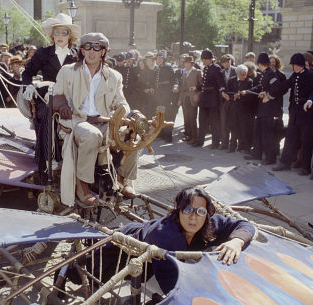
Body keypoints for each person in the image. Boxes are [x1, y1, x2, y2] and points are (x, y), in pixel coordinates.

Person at [62, 187, 255, 298]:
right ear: (178, 211)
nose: (193, 217)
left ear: (208, 214)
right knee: (82, 274)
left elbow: (244, 224)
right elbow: (171, 286)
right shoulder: (166, 235)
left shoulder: (210, 224)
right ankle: (62, 274)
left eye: (200, 211)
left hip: (151, 259)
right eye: (187, 210)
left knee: (144, 274)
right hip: (122, 247)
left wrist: (237, 241)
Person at [53, 32, 137, 206]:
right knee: (92, 135)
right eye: (87, 47)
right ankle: (82, 185)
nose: (92, 51)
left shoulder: (114, 76)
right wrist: (62, 107)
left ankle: (123, 178)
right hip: (76, 121)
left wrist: (124, 115)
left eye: (97, 47)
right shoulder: (68, 71)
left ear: (103, 52)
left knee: (133, 133)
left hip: (104, 121)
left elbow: (122, 102)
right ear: (82, 51)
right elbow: (56, 96)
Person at [22, 13, 80, 176]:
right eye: (56, 32)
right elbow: (27, 73)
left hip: (70, 97)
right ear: (52, 35)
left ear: (70, 36)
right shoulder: (43, 53)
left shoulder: (77, 55)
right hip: (46, 96)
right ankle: (50, 159)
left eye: (64, 32)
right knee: (48, 113)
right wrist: (29, 86)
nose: (59, 36)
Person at [272, 53, 313, 175]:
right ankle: (285, 163)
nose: (292, 67)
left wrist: (311, 99)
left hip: (306, 112)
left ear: (297, 65)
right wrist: (272, 91)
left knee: (306, 140)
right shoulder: (294, 75)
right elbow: (285, 86)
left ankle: (306, 167)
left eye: (293, 65)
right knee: (290, 137)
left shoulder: (310, 75)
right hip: (295, 111)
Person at [243, 53, 284, 164]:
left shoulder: (271, 74)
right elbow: (260, 87)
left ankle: (270, 158)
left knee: (267, 134)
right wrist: (247, 91)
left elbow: (277, 88)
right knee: (258, 132)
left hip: (269, 110)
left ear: (261, 64)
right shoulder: (265, 74)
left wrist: (268, 96)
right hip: (262, 109)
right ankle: (257, 154)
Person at [193, 49, 226, 148]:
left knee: (214, 121)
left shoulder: (216, 68)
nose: (202, 61)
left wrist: (222, 92)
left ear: (209, 59)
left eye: (203, 59)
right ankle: (200, 141)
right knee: (202, 120)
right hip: (204, 98)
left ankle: (215, 142)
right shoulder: (206, 68)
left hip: (212, 98)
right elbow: (204, 83)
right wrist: (197, 88)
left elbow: (221, 83)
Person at [223, 64, 253, 153]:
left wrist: (243, 95)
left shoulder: (249, 81)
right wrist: (233, 97)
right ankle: (232, 146)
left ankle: (244, 147)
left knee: (244, 128)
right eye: (242, 74)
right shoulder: (231, 80)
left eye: (245, 74)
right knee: (233, 127)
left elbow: (250, 94)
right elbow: (228, 92)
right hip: (233, 107)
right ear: (237, 74)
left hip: (244, 108)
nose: (244, 76)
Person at [178, 56, 202, 144]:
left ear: (192, 64)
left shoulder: (197, 72)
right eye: (185, 63)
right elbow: (182, 87)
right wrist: (180, 99)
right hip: (185, 98)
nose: (186, 65)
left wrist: (197, 94)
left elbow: (202, 86)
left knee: (192, 118)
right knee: (186, 118)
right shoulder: (184, 72)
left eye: (188, 63)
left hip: (193, 97)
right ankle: (188, 135)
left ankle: (194, 137)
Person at [219, 54, 237, 149]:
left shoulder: (236, 70)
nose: (226, 64)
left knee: (233, 123)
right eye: (224, 63)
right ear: (222, 64)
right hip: (224, 100)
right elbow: (219, 85)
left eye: (228, 62)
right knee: (224, 122)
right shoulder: (221, 72)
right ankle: (224, 143)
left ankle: (233, 144)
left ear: (230, 62)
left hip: (234, 100)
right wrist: (222, 92)